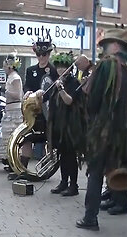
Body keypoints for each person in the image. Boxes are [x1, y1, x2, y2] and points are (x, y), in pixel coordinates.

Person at [75, 26, 127, 232]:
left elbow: (94, 101)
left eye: (105, 45)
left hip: (107, 129)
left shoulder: (106, 66)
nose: (104, 49)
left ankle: (90, 218)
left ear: (115, 45)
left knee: (96, 171)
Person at [47, 52, 87, 196]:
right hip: (59, 125)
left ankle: (73, 185)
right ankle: (63, 182)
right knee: (62, 156)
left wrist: (61, 89)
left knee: (70, 156)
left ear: (69, 69)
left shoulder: (73, 82)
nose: (60, 70)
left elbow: (69, 101)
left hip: (70, 126)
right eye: (58, 67)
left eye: (63, 67)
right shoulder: (56, 81)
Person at [21, 39, 59, 170]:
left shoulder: (54, 71)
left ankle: (46, 167)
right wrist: (27, 92)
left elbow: (55, 90)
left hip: (47, 110)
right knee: (26, 138)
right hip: (33, 110)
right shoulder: (31, 70)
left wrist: (44, 96)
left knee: (48, 140)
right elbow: (27, 85)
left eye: (44, 55)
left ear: (49, 55)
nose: (41, 57)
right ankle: (22, 168)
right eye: (39, 55)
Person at [0, 53, 23, 169]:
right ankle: (11, 162)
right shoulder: (11, 77)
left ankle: (16, 162)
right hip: (10, 109)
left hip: (15, 110)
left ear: (10, 66)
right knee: (8, 137)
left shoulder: (15, 77)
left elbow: (18, 95)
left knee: (13, 137)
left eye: (4, 66)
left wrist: (6, 92)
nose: (3, 68)